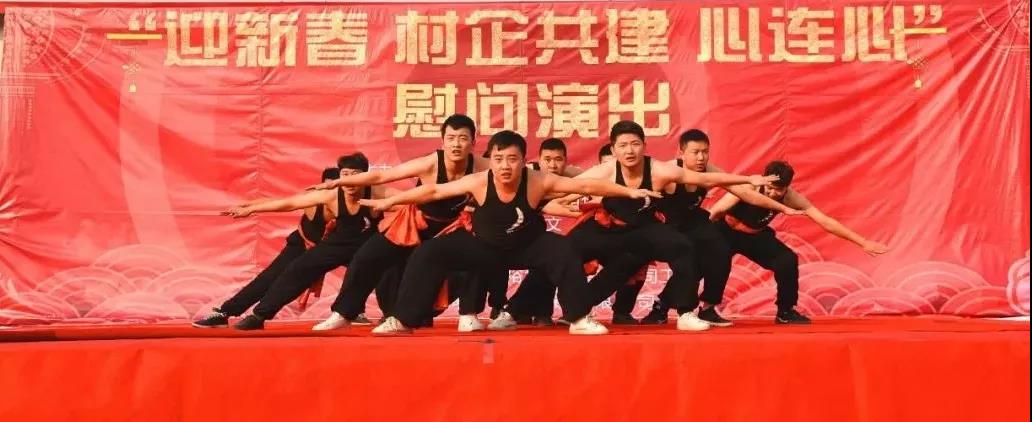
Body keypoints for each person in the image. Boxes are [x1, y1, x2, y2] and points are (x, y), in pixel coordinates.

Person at [362, 130, 663, 335]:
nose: (505, 166)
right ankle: (403, 319)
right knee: (429, 252)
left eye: (512, 159)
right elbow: (433, 191)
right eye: (499, 159)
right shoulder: (479, 180)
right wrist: (388, 202)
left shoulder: (538, 181)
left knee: (563, 249)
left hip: (526, 246)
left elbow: (585, 184)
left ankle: (579, 318)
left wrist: (628, 191)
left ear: (523, 160)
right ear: (490, 159)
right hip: (481, 246)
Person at [563, 121, 780, 332]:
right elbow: (568, 185)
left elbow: (705, 179)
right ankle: (577, 315)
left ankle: (685, 313)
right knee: (571, 252)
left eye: (635, 144)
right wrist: (550, 194)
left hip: (645, 229)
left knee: (683, 247)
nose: (630, 151)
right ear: (613, 150)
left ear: (644, 146)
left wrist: (747, 180)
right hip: (609, 227)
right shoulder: (606, 170)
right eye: (623, 145)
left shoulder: (659, 170)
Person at [219, 153, 389, 330]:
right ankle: (257, 315)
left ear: (366, 176)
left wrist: (391, 203)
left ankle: (391, 316)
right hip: (322, 244)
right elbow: (287, 203)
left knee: (387, 265)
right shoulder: (326, 196)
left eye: (356, 175)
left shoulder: (377, 193)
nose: (350, 181)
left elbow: (406, 199)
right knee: (294, 270)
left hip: (365, 244)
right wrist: (251, 208)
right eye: (345, 175)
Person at [707, 160, 889, 324]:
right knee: (716, 260)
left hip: (755, 236)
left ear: (787, 187)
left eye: (778, 190)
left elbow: (826, 222)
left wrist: (862, 242)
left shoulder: (791, 198)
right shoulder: (749, 186)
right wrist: (706, 237)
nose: (772, 193)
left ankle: (785, 311)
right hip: (724, 230)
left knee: (787, 260)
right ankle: (705, 309)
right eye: (770, 188)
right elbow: (716, 211)